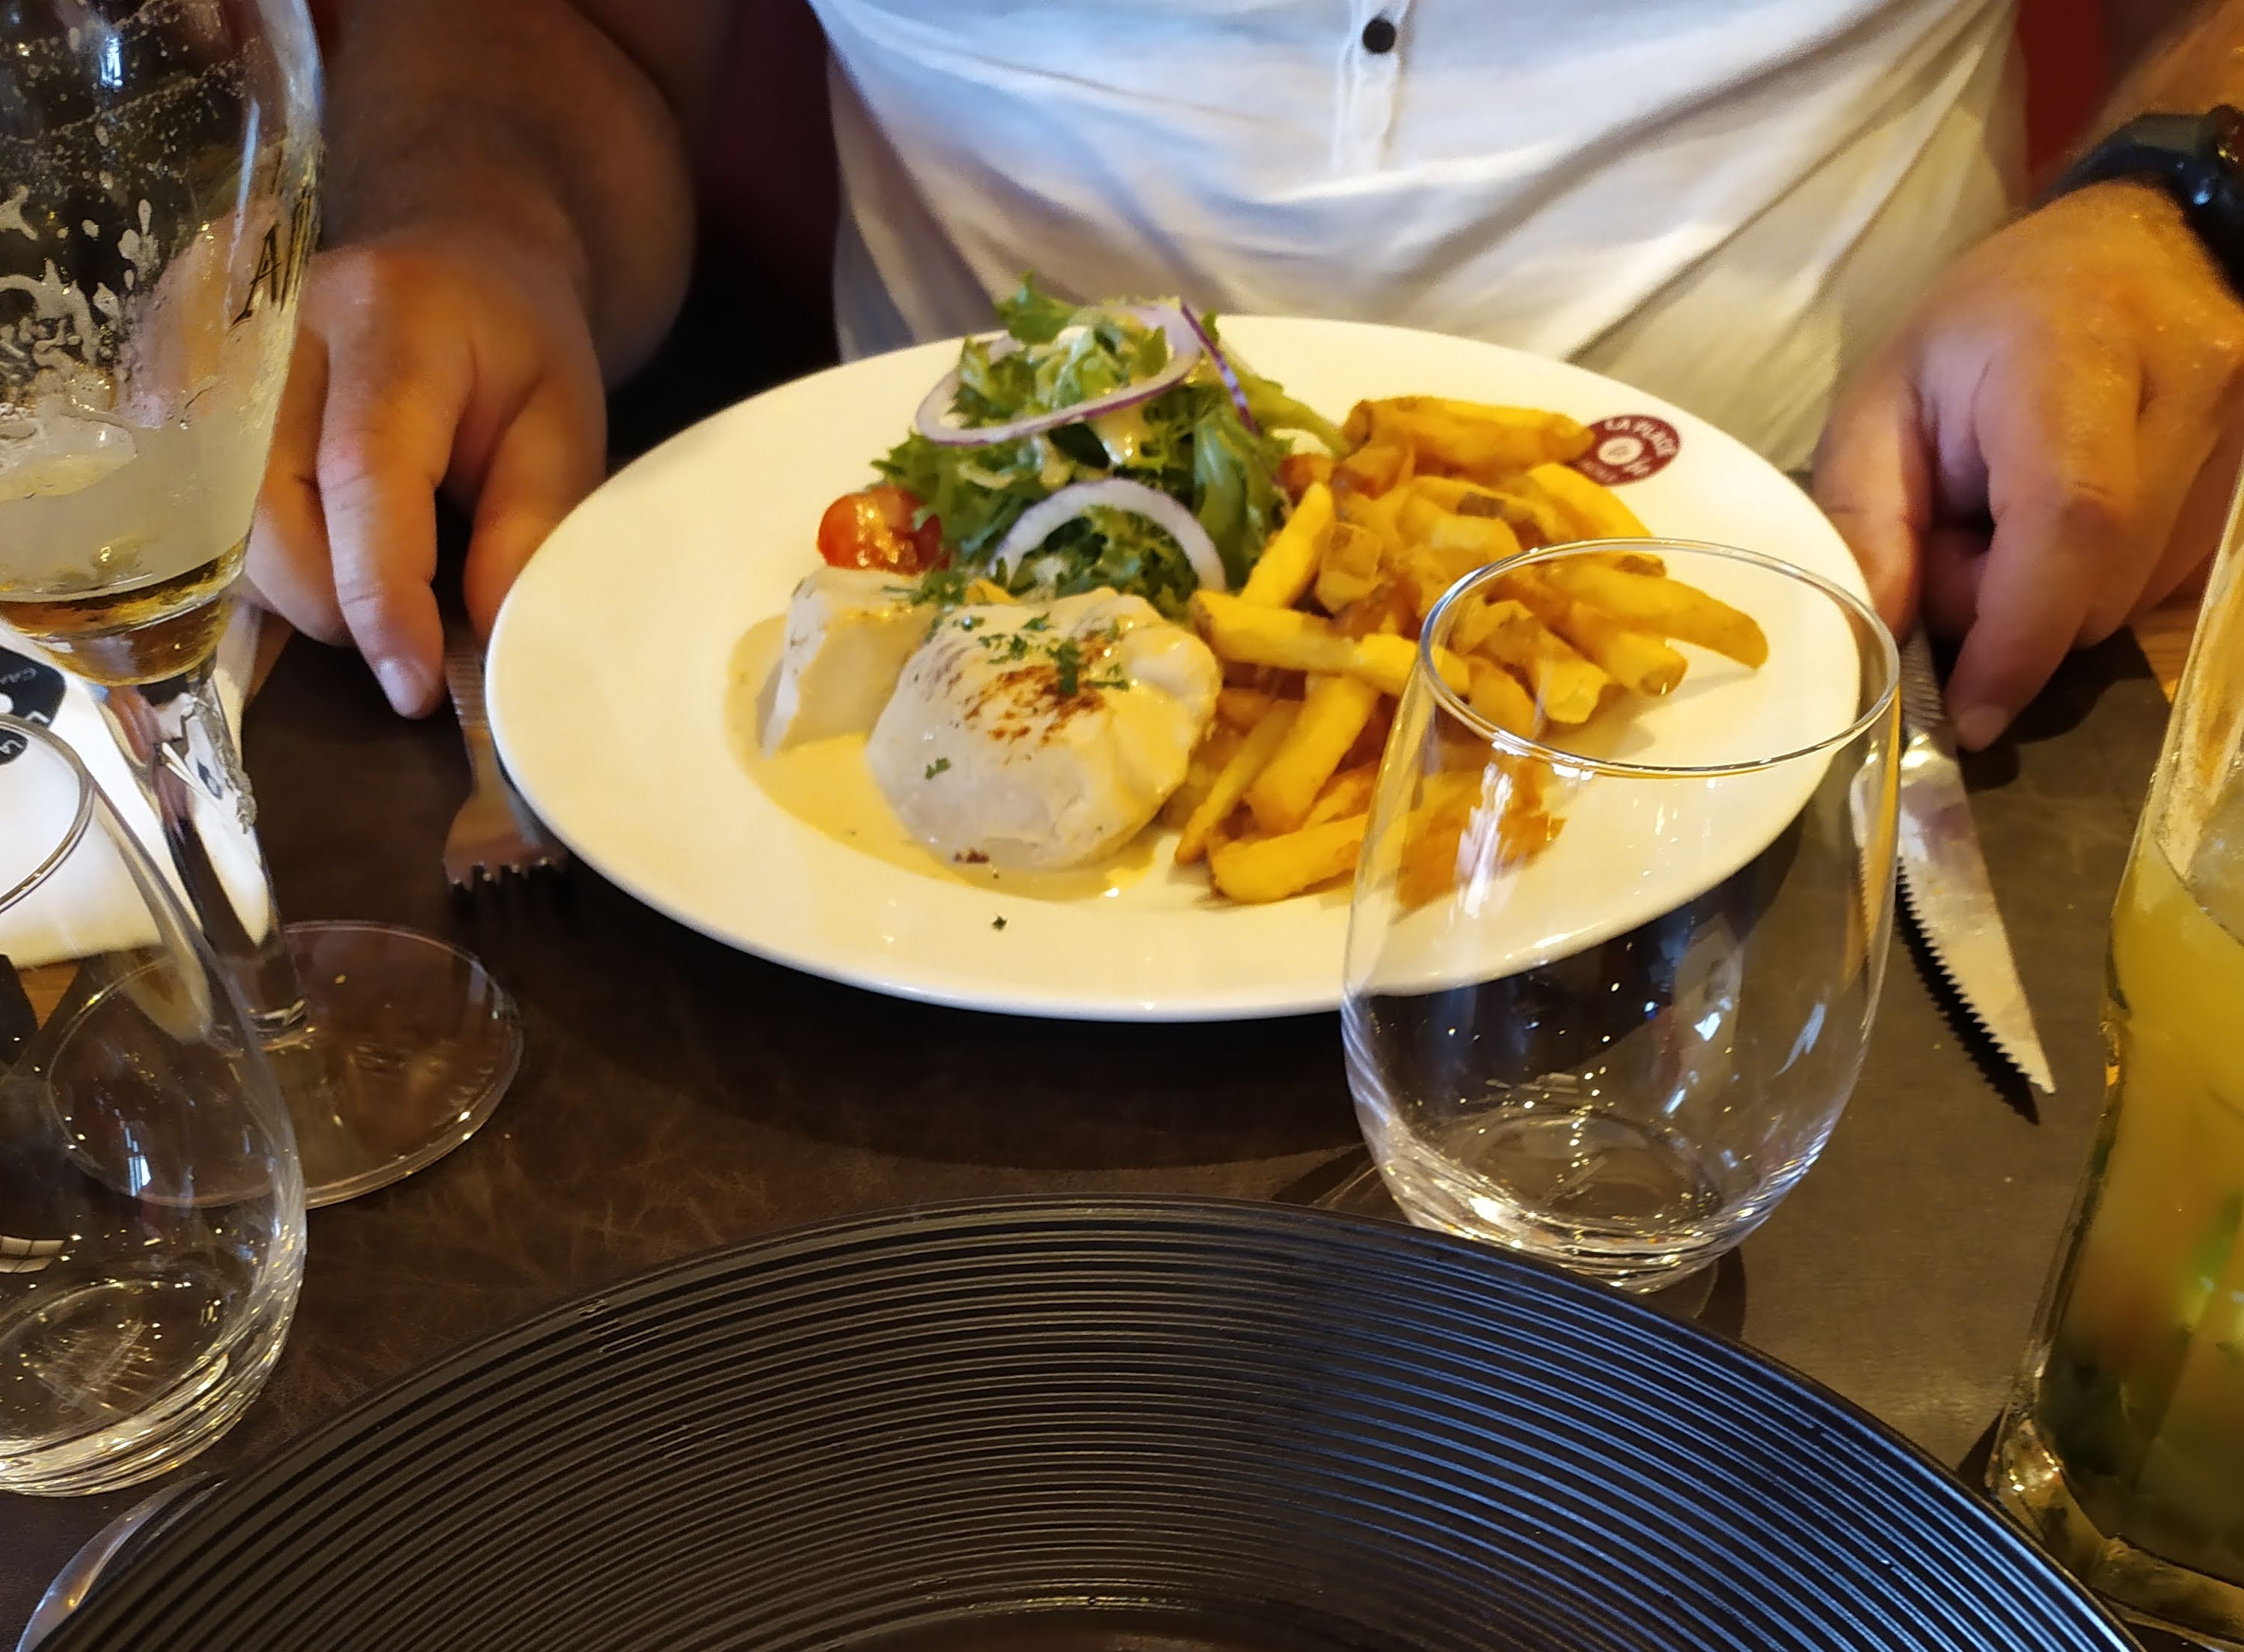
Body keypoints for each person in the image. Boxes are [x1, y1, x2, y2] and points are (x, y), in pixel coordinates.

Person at [250, 0, 2244, 752]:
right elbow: (558, 22)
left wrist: (2179, 207)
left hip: (1920, 615)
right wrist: (478, 218)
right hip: (915, 677)